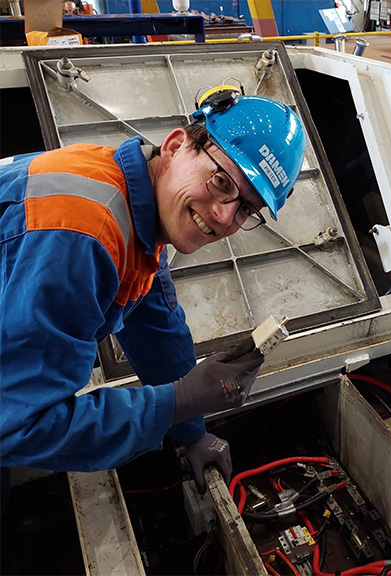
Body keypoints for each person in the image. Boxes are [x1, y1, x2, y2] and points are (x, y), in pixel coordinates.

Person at [0, 87, 307, 507]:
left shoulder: (137, 201)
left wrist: (191, 428)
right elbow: (17, 425)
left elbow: (156, 329)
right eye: (221, 183)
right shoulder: (83, 237)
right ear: (178, 144)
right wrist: (175, 402)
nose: (223, 216)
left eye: (246, 211)